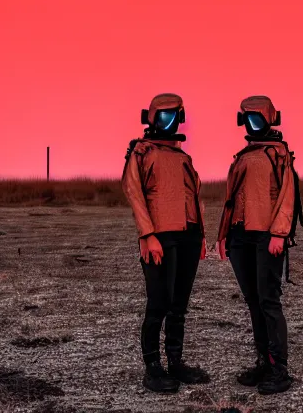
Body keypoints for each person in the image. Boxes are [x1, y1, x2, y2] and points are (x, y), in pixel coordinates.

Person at [216, 95, 303, 395]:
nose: (253, 123)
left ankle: (279, 370)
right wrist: (223, 236)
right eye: (249, 117)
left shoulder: (279, 153)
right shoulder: (244, 155)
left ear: (270, 118)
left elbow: (287, 196)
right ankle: (263, 363)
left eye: (259, 117)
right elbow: (231, 199)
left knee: (269, 301)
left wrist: (280, 235)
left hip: (266, 236)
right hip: (240, 237)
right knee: (254, 301)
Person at [122, 93, 210, 393]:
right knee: (158, 303)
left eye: (173, 115)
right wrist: (147, 236)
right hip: (159, 237)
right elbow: (134, 193)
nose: (168, 122)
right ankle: (153, 368)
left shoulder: (183, 157)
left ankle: (175, 362)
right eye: (162, 116)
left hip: (188, 235)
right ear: (151, 117)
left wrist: (201, 236)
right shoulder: (140, 153)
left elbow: (194, 197)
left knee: (179, 305)